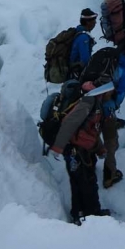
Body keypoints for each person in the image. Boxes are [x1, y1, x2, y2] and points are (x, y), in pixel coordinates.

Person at [49, 81, 114, 225]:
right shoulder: (88, 103)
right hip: (75, 151)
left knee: (79, 182)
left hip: (80, 150)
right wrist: (58, 148)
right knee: (86, 183)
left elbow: (90, 131)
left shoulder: (93, 103)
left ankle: (79, 214)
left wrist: (100, 149)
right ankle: (92, 216)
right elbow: (69, 123)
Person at [101, 52, 125, 189]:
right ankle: (109, 175)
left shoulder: (101, 64)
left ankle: (89, 159)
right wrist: (114, 105)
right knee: (111, 142)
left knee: (92, 132)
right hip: (107, 108)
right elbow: (120, 92)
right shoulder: (122, 69)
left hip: (90, 103)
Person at [68, 8, 97, 78]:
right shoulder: (83, 37)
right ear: (88, 22)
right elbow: (85, 60)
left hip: (74, 73)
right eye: (94, 20)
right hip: (76, 75)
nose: (95, 23)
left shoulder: (79, 34)